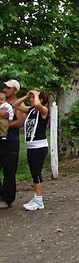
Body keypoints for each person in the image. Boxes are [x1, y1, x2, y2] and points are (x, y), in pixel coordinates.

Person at [12, 89, 51, 211]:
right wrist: (26, 96)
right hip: (31, 146)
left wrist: (37, 95)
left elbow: (38, 104)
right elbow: (15, 105)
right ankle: (36, 197)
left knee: (37, 173)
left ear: (41, 99)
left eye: (33, 98)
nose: (31, 100)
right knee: (34, 173)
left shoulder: (44, 111)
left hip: (40, 147)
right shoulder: (31, 110)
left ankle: (39, 201)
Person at [0, 79, 25, 209]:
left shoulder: (18, 104)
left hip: (11, 140)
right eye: (4, 87)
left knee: (9, 170)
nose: (4, 90)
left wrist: (5, 125)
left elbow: (20, 122)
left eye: (8, 88)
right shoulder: (1, 102)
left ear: (15, 90)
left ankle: (7, 198)